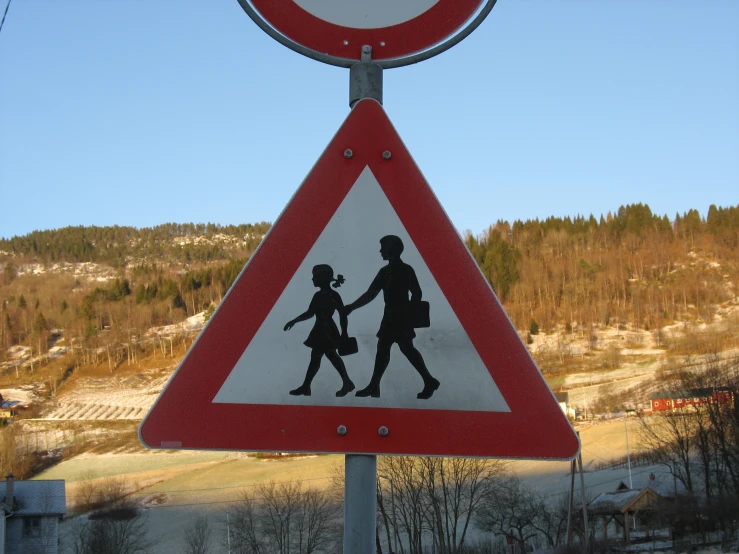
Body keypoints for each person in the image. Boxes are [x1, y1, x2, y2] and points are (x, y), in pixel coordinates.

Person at [344, 235, 440, 399]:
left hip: (399, 318)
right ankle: (377, 385)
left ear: (390, 249)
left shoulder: (400, 270)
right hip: (391, 317)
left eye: (383, 248)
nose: (380, 251)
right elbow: (371, 293)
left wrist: (409, 312)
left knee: (400, 349)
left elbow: (416, 292)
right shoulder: (387, 271)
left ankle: (426, 380)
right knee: (394, 349)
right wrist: (352, 307)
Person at [284, 265, 355, 397]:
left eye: (315, 276)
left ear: (323, 278)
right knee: (322, 357)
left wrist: (344, 333)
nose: (312, 279)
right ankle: (309, 386)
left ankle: (345, 382)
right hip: (320, 330)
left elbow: (342, 314)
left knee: (326, 356)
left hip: (328, 331)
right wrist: (294, 321)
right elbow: (310, 313)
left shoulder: (334, 295)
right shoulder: (317, 295)